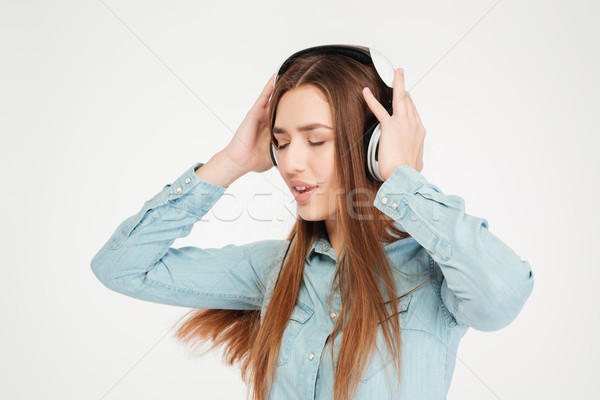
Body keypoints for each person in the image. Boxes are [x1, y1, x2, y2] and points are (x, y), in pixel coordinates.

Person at [91, 45, 535, 400]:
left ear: (373, 147)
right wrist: (231, 162)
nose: (290, 163)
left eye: (316, 139)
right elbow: (121, 267)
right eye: (280, 143)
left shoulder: (435, 273)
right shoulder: (275, 269)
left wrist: (404, 180)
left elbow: (503, 294)